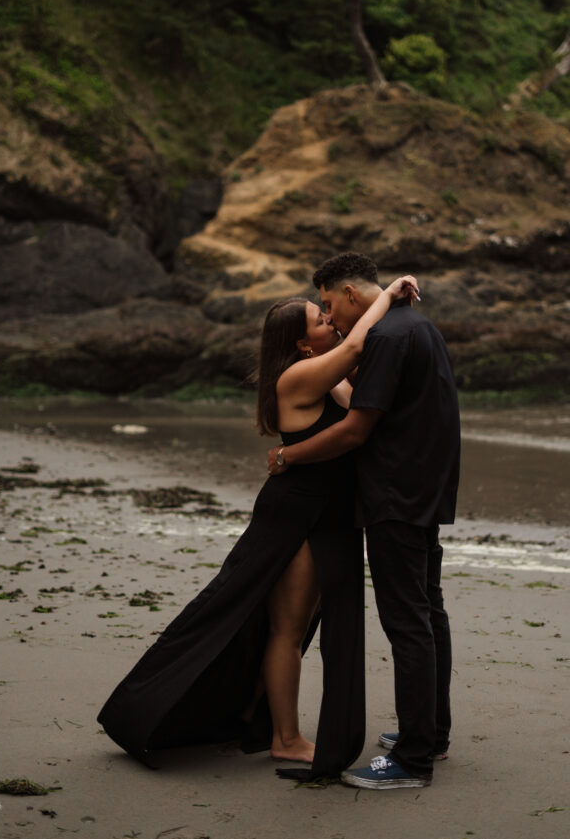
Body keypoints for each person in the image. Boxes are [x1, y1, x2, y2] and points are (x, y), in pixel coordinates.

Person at [97, 273, 418, 781]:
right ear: (299, 340)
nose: (329, 318)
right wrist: (390, 294)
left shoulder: (323, 371)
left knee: (297, 627)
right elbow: (359, 341)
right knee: (289, 630)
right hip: (296, 513)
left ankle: (258, 717)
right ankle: (286, 740)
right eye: (319, 318)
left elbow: (366, 392)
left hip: (327, 511)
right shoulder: (297, 377)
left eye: (327, 310)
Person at [267, 251, 459, 790]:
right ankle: (430, 735)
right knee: (427, 614)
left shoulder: (388, 337)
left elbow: (356, 430)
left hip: (396, 497)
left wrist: (288, 457)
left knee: (407, 623)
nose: (331, 316)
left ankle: (413, 759)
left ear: (349, 294)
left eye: (329, 304)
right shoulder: (415, 326)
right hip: (424, 491)